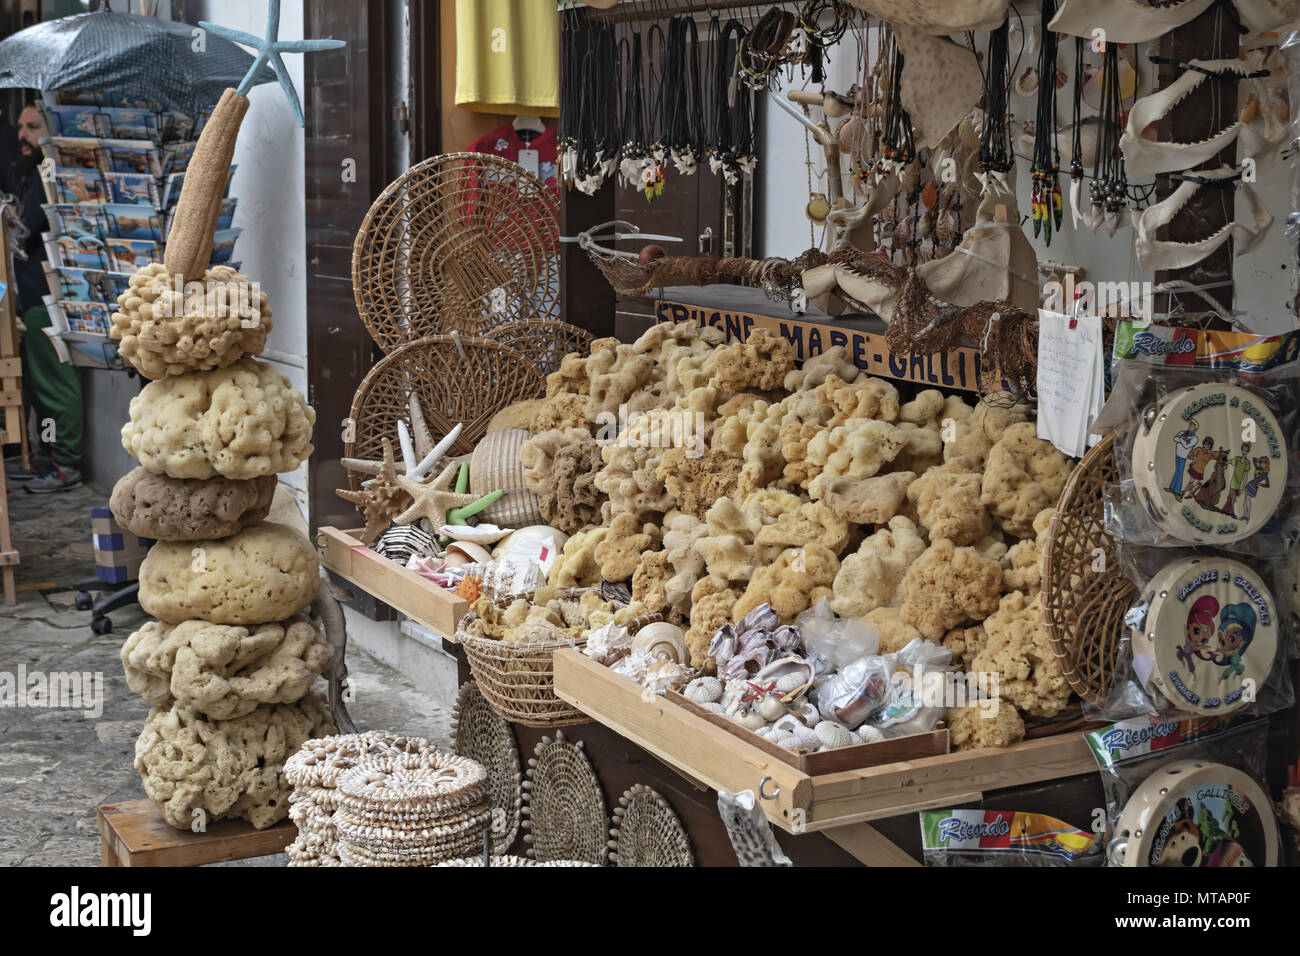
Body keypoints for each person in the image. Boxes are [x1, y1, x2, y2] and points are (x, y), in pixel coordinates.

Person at [2, 101, 83, 492]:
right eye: (21, 127)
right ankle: (47, 456)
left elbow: (34, 223)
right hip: (30, 293)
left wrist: (13, 222)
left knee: (53, 383)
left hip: (48, 295)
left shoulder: (48, 170)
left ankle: (66, 461)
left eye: (32, 127)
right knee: (37, 385)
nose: (23, 135)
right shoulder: (28, 172)